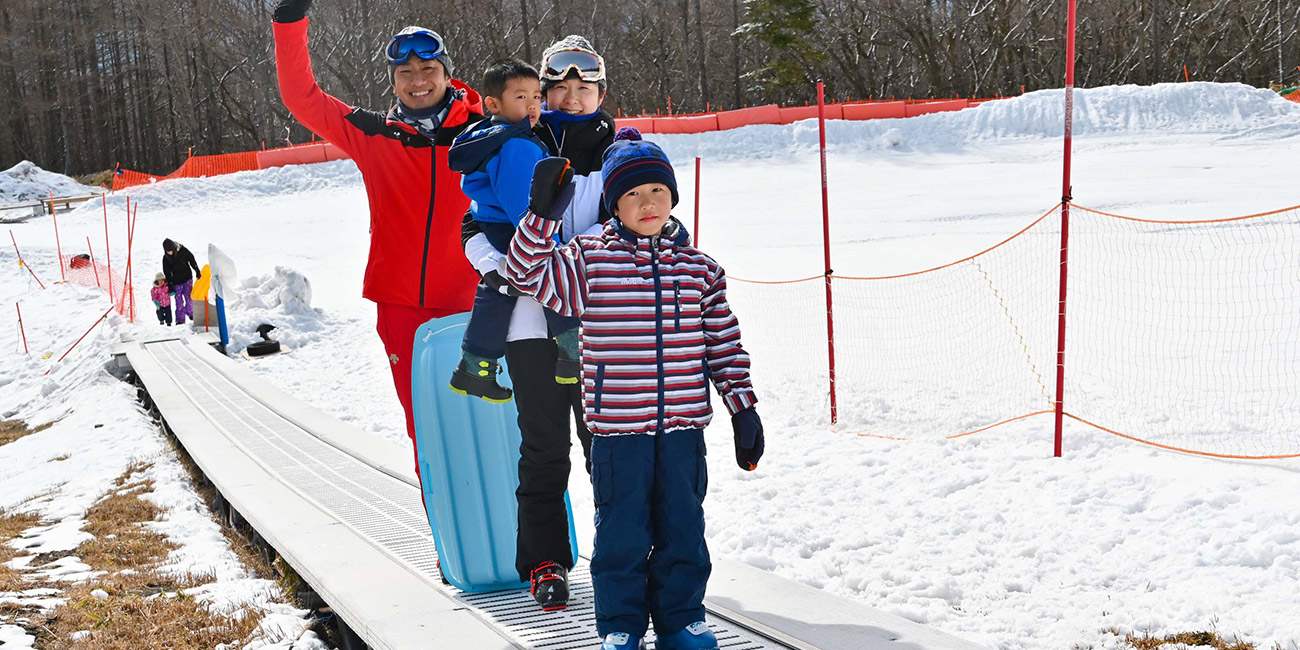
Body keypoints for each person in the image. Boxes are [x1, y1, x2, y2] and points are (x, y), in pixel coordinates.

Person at [506, 130, 766, 650]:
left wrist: (742, 408)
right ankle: (621, 628)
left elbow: (723, 344)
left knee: (683, 530)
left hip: (682, 429)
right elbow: (524, 272)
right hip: (618, 428)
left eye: (657, 192)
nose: (647, 204)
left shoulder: (698, 270)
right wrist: (540, 216)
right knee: (622, 535)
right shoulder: (589, 260)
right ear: (613, 203)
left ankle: (681, 622)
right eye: (632, 195)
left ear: (673, 196)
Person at [271, 0, 483, 474]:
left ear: (447, 73)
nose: (417, 78)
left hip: (478, 304)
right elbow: (302, 97)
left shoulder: (483, 130)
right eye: (404, 71)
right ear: (393, 81)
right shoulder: (374, 135)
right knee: (426, 431)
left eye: (428, 67)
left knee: (491, 424)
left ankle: (524, 545)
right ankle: (447, 546)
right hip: (402, 307)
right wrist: (290, 21)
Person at [459, 35, 615, 610]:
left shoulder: (620, 148)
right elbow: (474, 225)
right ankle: (545, 560)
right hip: (530, 324)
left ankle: (624, 552)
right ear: (542, 92)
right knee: (545, 446)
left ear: (601, 91)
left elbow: (648, 215)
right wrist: (500, 265)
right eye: (561, 88)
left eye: (586, 88)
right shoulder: (516, 142)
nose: (574, 99)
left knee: (609, 444)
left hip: (600, 326)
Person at [446, 58, 577, 404]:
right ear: (492, 104)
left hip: (493, 222)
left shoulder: (497, 136)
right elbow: (519, 196)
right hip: (514, 224)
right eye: (521, 97)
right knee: (550, 271)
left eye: (537, 96)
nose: (533, 105)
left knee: (500, 289)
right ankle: (572, 349)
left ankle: (476, 364)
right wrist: (537, 230)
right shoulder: (515, 143)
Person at [162, 239, 201, 325]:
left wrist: (197, 270)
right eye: (168, 251)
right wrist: (170, 284)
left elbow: (191, 259)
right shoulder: (166, 258)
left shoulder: (183, 251)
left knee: (189, 297)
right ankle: (180, 320)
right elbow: (167, 272)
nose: (170, 253)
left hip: (187, 278)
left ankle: (191, 313)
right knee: (178, 301)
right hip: (176, 282)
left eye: (171, 250)